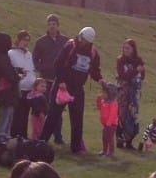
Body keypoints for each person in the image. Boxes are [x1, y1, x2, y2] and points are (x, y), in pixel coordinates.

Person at [38, 27, 103, 154]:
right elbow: (57, 64)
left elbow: (95, 70)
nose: (83, 42)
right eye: (82, 39)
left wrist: (100, 80)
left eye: (86, 41)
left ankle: (76, 148)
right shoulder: (70, 46)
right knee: (53, 115)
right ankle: (42, 142)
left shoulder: (93, 53)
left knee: (77, 119)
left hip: (78, 89)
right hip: (62, 86)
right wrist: (61, 81)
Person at [33, 14, 67, 145]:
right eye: (50, 24)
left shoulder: (65, 41)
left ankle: (58, 136)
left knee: (58, 110)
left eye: (54, 23)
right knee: (45, 110)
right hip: (45, 81)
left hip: (59, 81)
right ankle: (42, 136)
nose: (52, 26)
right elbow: (35, 62)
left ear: (58, 25)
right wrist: (48, 67)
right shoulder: (41, 42)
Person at [116, 39, 145, 150]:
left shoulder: (138, 60)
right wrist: (135, 71)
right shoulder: (120, 60)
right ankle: (119, 140)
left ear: (133, 49)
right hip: (123, 91)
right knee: (121, 115)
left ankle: (129, 141)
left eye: (128, 48)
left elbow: (142, 76)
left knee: (132, 115)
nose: (126, 50)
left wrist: (141, 71)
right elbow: (122, 75)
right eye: (124, 48)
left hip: (134, 92)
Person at [9, 31, 36, 139]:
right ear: (19, 40)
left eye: (28, 40)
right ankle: (13, 136)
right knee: (16, 114)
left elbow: (31, 70)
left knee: (25, 114)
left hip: (29, 89)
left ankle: (23, 136)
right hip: (18, 88)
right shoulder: (11, 53)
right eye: (24, 39)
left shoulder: (29, 54)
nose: (26, 42)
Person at [97, 82, 119, 157]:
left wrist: (108, 124)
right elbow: (99, 107)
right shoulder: (104, 102)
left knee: (109, 138)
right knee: (104, 137)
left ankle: (111, 152)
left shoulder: (113, 104)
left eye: (105, 93)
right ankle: (104, 150)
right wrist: (98, 100)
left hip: (111, 124)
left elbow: (112, 115)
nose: (103, 94)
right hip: (105, 124)